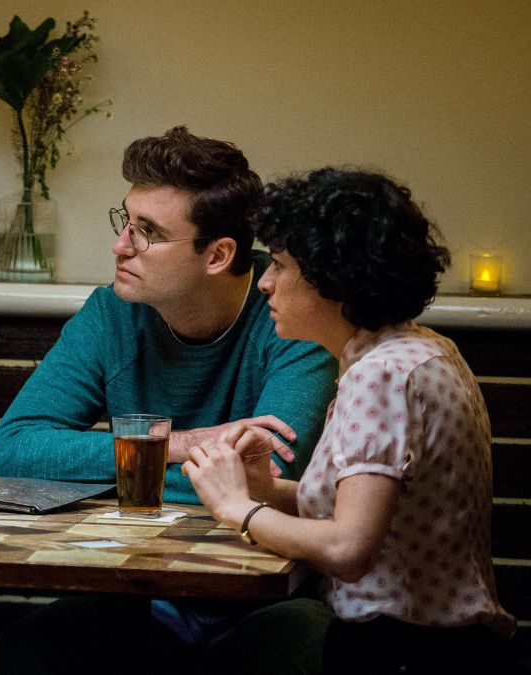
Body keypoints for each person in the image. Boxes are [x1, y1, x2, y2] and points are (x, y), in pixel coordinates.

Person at [0, 127, 339, 674]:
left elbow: (267, 483)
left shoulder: (290, 308)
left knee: (299, 649)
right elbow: (10, 451)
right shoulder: (112, 311)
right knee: (28, 652)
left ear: (218, 254)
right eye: (124, 221)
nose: (120, 245)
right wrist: (174, 445)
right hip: (136, 591)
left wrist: (91, 469)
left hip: (262, 595)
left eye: (147, 232)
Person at [183, 168, 519, 673]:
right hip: (452, 646)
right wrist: (260, 488)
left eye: (278, 265)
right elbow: (372, 511)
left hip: (404, 652)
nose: (265, 284)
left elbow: (347, 548)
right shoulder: (422, 349)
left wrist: (236, 508)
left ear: (333, 279)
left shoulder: (380, 376)